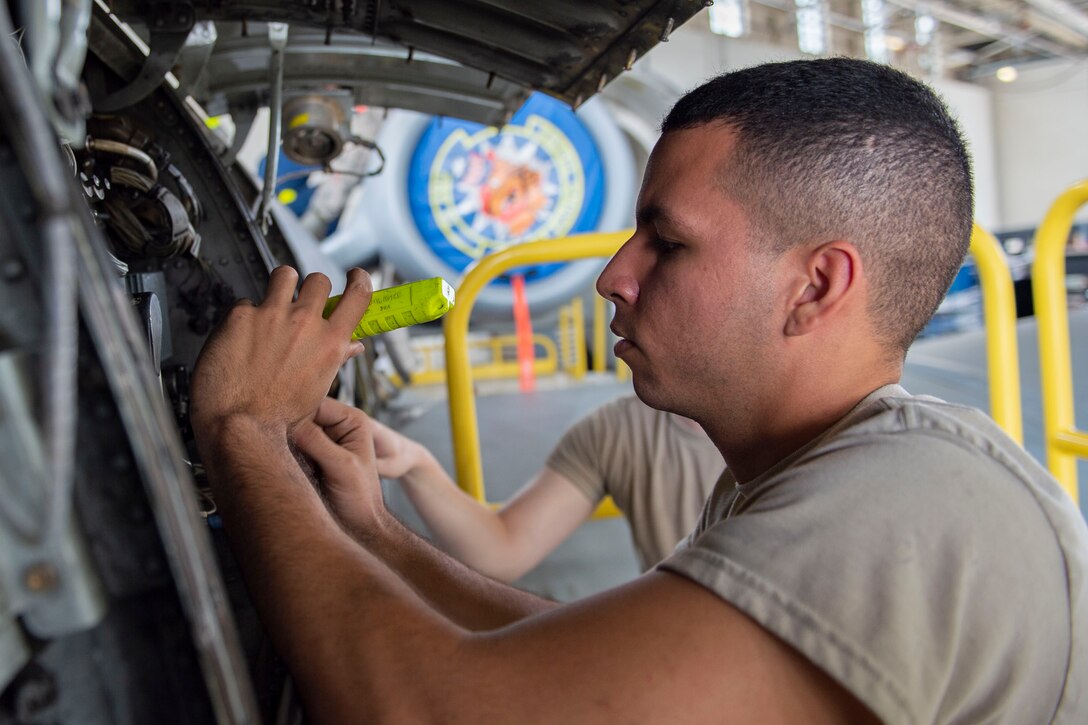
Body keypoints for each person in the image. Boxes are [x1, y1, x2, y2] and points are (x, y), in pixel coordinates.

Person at [190, 58, 1088, 723]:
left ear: (816, 286)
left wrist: (245, 430)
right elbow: (587, 666)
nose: (615, 275)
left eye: (668, 241)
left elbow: (434, 712)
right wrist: (370, 531)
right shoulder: (804, 478)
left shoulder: (904, 506)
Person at [373, 395, 724, 581]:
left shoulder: (781, 443)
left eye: (671, 253)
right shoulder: (620, 429)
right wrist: (415, 463)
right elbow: (501, 549)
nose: (612, 284)